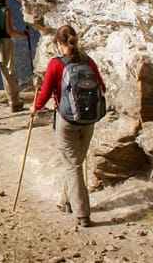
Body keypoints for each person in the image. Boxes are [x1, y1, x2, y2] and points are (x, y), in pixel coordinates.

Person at [31, 24, 106, 227]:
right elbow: (103, 87)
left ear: (58, 42)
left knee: (72, 165)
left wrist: (35, 108)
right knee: (74, 162)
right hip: (88, 120)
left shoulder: (56, 64)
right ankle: (66, 201)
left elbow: (45, 92)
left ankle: (82, 213)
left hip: (66, 120)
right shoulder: (88, 61)